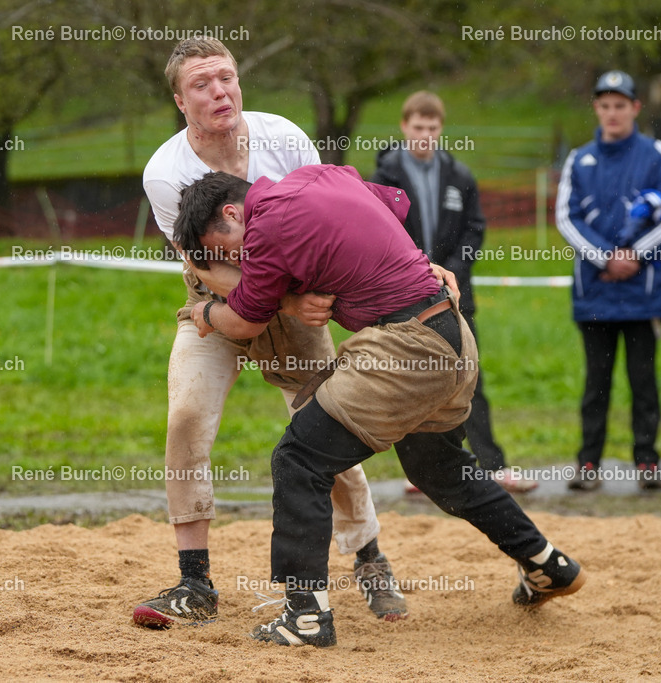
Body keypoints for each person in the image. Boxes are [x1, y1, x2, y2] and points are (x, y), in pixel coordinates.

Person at [174, 165, 586, 648]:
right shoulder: (325, 175)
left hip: (406, 347)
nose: (236, 257)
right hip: (452, 335)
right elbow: (394, 205)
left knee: (299, 458)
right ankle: (546, 564)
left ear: (231, 211)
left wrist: (202, 311)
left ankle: (305, 617)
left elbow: (244, 320)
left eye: (227, 247)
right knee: (441, 469)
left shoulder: (264, 226)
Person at [133, 37, 409, 628]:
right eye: (202, 84)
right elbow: (205, 265)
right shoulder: (166, 172)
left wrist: (331, 294)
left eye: (226, 77)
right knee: (185, 417)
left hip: (298, 309)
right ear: (181, 102)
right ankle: (194, 581)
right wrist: (284, 298)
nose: (219, 91)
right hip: (218, 306)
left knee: (326, 432)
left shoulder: (281, 136)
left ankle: (368, 558)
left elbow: (335, 209)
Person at [372, 90, 537, 494]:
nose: (425, 135)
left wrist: (453, 273)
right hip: (403, 297)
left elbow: (474, 229)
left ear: (441, 129)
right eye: (418, 127)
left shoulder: (460, 176)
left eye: (432, 128)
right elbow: (379, 231)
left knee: (468, 378)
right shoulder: (382, 178)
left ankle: (492, 464)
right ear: (404, 126)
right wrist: (414, 271)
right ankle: (423, 472)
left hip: (455, 295)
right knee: (412, 381)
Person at [555, 70, 661, 491]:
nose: (613, 112)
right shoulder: (578, 159)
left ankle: (647, 462)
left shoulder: (656, 155)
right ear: (596, 108)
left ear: (635, 107)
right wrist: (604, 256)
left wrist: (636, 253)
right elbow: (566, 216)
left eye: (621, 104)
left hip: (644, 295)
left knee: (644, 383)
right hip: (594, 294)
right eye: (605, 105)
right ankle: (588, 464)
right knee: (595, 383)